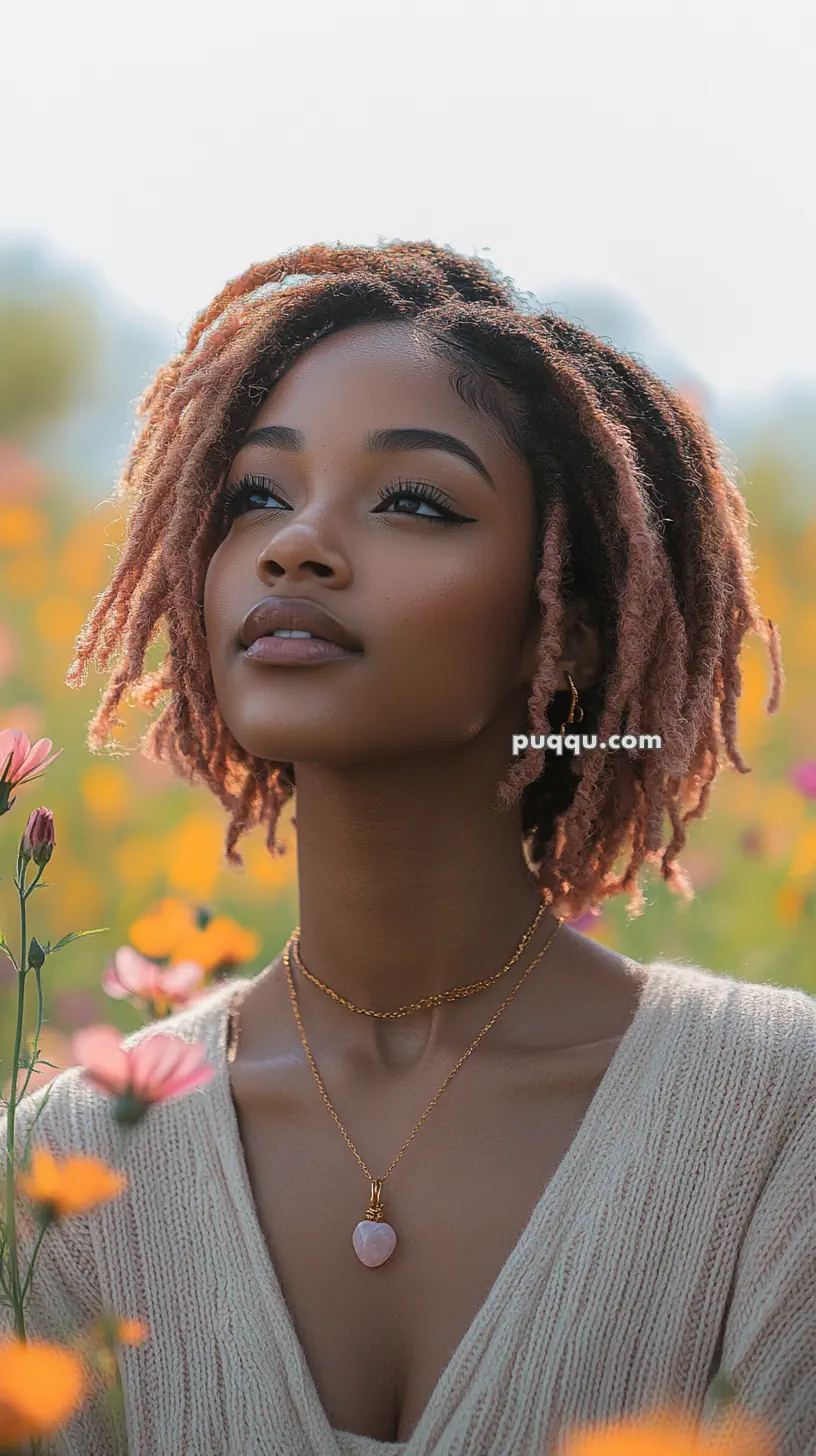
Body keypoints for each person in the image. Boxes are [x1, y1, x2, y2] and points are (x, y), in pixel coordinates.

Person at [3, 241, 814, 1456]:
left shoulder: (773, 1118)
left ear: (575, 625)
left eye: (415, 503)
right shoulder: (67, 1160)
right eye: (256, 498)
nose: (297, 547)